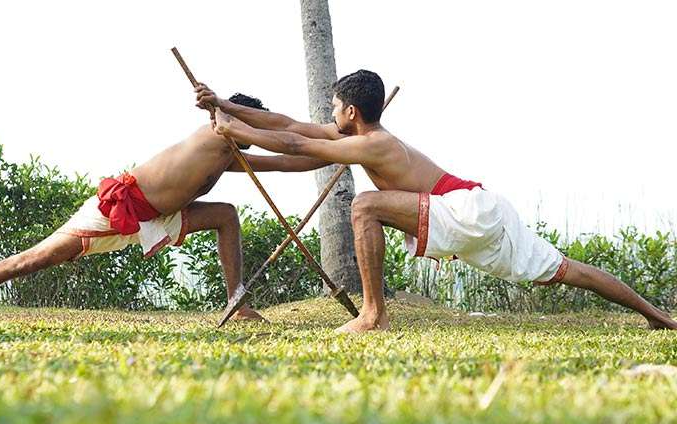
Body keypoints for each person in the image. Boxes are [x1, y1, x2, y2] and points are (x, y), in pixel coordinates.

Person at [195, 72, 677, 332]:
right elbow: (292, 127)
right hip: (484, 207)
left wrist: (236, 131)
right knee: (566, 268)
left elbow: (300, 146)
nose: (328, 114)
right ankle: (659, 316)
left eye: (334, 106)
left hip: (464, 209)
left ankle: (373, 314)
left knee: (365, 205)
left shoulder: (373, 144)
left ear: (351, 112)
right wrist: (227, 106)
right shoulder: (367, 136)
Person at [0, 93, 328, 321]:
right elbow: (286, 136)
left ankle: (236, 302)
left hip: (158, 214)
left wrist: (342, 153)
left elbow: (286, 158)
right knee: (31, 261)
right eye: (251, 125)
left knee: (225, 214)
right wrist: (231, 114)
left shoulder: (229, 152)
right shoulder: (214, 137)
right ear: (233, 119)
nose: (256, 134)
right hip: (119, 208)